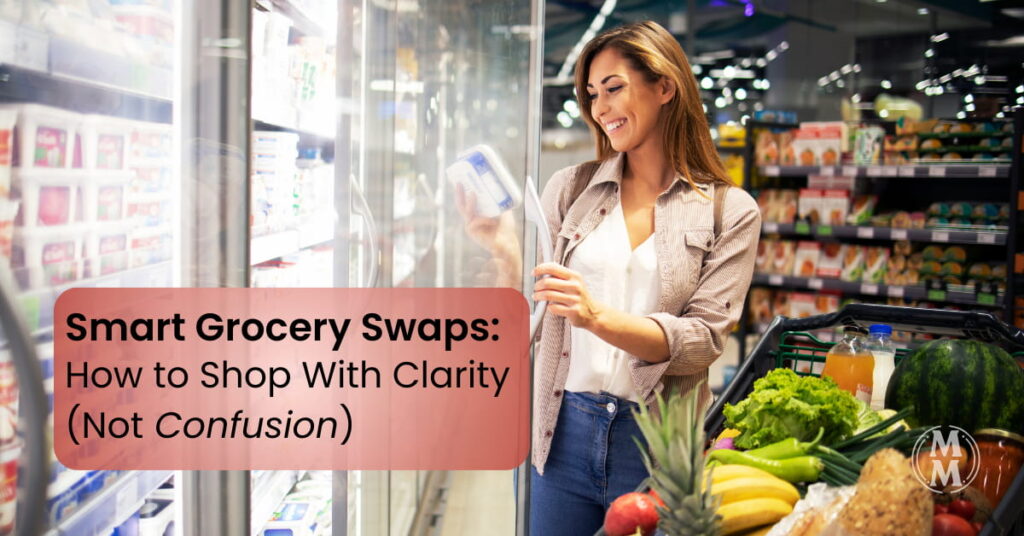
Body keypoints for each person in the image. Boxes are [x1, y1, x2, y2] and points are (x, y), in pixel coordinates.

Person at [456, 20, 760, 535]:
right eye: (592, 94)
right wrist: (501, 245)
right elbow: (532, 308)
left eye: (614, 88)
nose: (600, 108)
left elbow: (703, 342)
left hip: (656, 445)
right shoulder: (570, 189)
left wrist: (596, 316)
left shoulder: (728, 210)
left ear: (665, 86)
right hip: (558, 430)